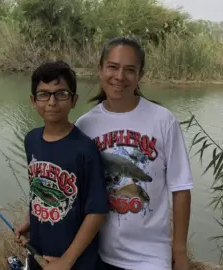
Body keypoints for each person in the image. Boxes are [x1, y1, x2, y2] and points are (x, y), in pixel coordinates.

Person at [74, 37, 194, 270]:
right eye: (112, 67)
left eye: (130, 70)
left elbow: (181, 189)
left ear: (140, 74)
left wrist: (179, 251)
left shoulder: (163, 121)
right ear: (100, 69)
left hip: (150, 257)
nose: (120, 77)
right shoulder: (84, 125)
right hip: (96, 251)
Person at [14, 60, 109, 270]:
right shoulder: (31, 139)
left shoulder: (84, 149)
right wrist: (32, 221)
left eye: (61, 94)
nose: (51, 101)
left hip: (75, 261)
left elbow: (98, 210)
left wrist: (67, 260)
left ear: (74, 100)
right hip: (38, 253)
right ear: (33, 100)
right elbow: (39, 189)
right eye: (43, 94)